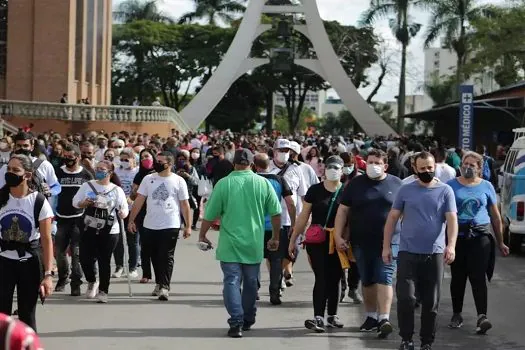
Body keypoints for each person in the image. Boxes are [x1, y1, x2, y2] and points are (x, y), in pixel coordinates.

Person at [199, 149, 282, 338]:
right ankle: (247, 319)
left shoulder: (224, 184)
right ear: (252, 164)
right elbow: (276, 213)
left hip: (229, 243)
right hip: (253, 242)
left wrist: (202, 235)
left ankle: (236, 321)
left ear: (233, 163)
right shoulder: (263, 183)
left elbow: (210, 215)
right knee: (251, 283)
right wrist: (275, 237)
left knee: (231, 281)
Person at [383, 151, 458, 350]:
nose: (427, 171)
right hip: (407, 252)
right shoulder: (405, 190)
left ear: (435, 167)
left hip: (434, 254)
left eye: (430, 168)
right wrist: (386, 246)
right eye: (422, 168)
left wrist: (451, 245)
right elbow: (392, 218)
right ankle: (406, 339)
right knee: (406, 298)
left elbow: (452, 220)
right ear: (414, 169)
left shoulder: (445, 191)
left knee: (431, 302)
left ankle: (427, 341)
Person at [334, 149, 402, 338]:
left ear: (385, 166)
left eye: (377, 163)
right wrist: (339, 236)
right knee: (368, 279)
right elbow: (342, 212)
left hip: (389, 242)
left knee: (385, 277)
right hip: (361, 242)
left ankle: (384, 318)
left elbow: (405, 212)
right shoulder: (355, 184)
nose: (373, 166)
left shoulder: (397, 184)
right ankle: (371, 316)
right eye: (370, 162)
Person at [447, 151, 509, 334]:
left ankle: (482, 316)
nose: (467, 167)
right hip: (458, 238)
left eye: (472, 165)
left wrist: (501, 242)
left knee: (478, 277)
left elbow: (496, 218)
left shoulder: (487, 186)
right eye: (465, 163)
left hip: (480, 238)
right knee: (458, 278)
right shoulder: (450, 186)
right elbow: (443, 215)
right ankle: (456, 313)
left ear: (480, 169)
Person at [289, 155, 345, 333]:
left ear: (343, 171)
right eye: (330, 167)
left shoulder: (346, 192)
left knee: (336, 277)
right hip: (318, 240)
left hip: (338, 240)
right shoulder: (314, 190)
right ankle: (318, 317)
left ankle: (332, 316)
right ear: (323, 169)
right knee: (321, 276)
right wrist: (293, 239)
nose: (333, 170)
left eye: (336, 167)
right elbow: (304, 216)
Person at [128, 151, 192, 301]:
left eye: (160, 161)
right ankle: (158, 282)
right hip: (150, 224)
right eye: (156, 160)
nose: (157, 163)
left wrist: (188, 225)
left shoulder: (178, 180)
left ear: (169, 164)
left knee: (166, 255)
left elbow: (184, 204)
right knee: (154, 256)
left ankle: (164, 286)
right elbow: (139, 200)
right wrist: (131, 219)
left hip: (170, 224)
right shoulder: (148, 179)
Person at [0, 154, 54, 331]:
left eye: (16, 170)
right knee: (2, 315)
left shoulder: (38, 201)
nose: (10, 173)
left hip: (29, 263)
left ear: (28, 175)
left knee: (27, 314)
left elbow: (46, 241)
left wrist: (48, 275)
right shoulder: (1, 199)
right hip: (3, 262)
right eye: (8, 169)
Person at [73, 160, 129, 303]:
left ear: (110, 172)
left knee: (104, 260)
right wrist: (83, 203)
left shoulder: (117, 190)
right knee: (85, 257)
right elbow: (75, 202)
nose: (98, 171)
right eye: (97, 168)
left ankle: (104, 291)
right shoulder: (87, 185)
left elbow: (124, 208)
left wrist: (123, 212)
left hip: (110, 230)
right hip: (89, 226)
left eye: (102, 169)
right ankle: (92, 280)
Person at [254, 152, 295, 305]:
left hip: (255, 227)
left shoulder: (251, 180)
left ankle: (254, 290)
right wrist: (293, 223)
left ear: (255, 165)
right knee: (276, 260)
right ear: (268, 164)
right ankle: (274, 292)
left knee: (254, 259)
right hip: (275, 226)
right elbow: (290, 203)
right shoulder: (279, 179)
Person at [54, 144, 93, 296]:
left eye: (71, 157)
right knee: (60, 252)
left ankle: (76, 283)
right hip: (61, 217)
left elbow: (96, 190)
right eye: (65, 156)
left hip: (79, 218)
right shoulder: (58, 172)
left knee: (77, 252)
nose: (67, 159)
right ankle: (63, 278)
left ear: (78, 157)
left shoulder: (85, 174)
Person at [269, 139, 307, 290]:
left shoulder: (296, 169)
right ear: (274, 151)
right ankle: (276, 280)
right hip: (271, 218)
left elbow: (303, 194)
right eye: (281, 150)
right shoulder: (267, 168)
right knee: (273, 253)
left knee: (293, 251)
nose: (284, 154)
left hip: (292, 219)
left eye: (287, 151)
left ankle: (282, 271)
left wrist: (306, 216)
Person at [338, 152, 363, 304]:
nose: (346, 168)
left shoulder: (360, 179)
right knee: (339, 258)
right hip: (339, 224)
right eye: (344, 165)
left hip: (355, 224)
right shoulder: (335, 178)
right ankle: (341, 287)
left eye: (349, 165)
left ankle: (353, 288)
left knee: (355, 260)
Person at [130, 149, 157, 283]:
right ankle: (146, 273)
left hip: (158, 212)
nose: (144, 159)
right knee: (145, 244)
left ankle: (161, 275)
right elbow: (133, 195)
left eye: (147, 156)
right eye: (142, 157)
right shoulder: (139, 175)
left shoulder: (160, 174)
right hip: (142, 212)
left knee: (157, 247)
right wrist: (135, 191)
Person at [112, 149, 140, 279]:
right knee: (118, 240)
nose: (123, 162)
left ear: (133, 160)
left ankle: (133, 267)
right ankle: (119, 266)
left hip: (133, 209)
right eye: (121, 160)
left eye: (126, 160)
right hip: (117, 209)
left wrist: (132, 198)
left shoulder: (138, 172)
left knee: (132, 240)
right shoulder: (116, 171)